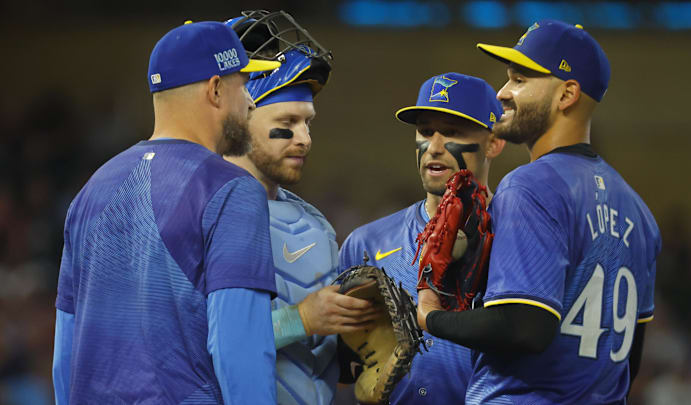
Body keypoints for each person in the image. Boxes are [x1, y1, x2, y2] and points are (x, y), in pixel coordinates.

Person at [416, 20, 661, 404]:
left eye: (520, 79)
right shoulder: (639, 211)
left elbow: (525, 327)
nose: (502, 92)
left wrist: (430, 315)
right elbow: (630, 357)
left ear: (566, 94)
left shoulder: (530, 186)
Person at [51, 21, 281, 404]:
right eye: (244, 86)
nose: (251, 102)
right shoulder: (231, 189)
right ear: (216, 89)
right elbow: (237, 350)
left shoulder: (91, 190)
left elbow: (65, 357)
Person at [223, 11, 381, 405]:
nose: (305, 138)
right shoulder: (198, 212)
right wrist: (301, 319)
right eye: (288, 121)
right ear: (240, 117)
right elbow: (185, 343)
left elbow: (321, 361)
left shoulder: (316, 226)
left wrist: (361, 341)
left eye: (308, 122)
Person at [339, 72, 506, 404]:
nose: (435, 146)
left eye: (453, 132)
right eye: (426, 131)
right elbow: (342, 369)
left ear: (494, 141)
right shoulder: (365, 244)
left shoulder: (515, 237)